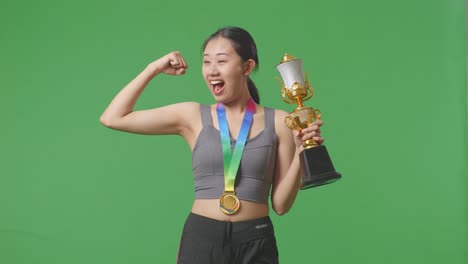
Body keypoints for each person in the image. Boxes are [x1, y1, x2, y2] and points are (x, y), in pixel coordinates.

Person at [100, 26, 324, 264]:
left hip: (256, 239)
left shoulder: (280, 121)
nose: (211, 70)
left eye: (221, 61)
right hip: (202, 237)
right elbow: (113, 117)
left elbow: (280, 205)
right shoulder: (191, 116)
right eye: (206, 62)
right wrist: (153, 68)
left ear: (247, 67)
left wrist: (302, 153)